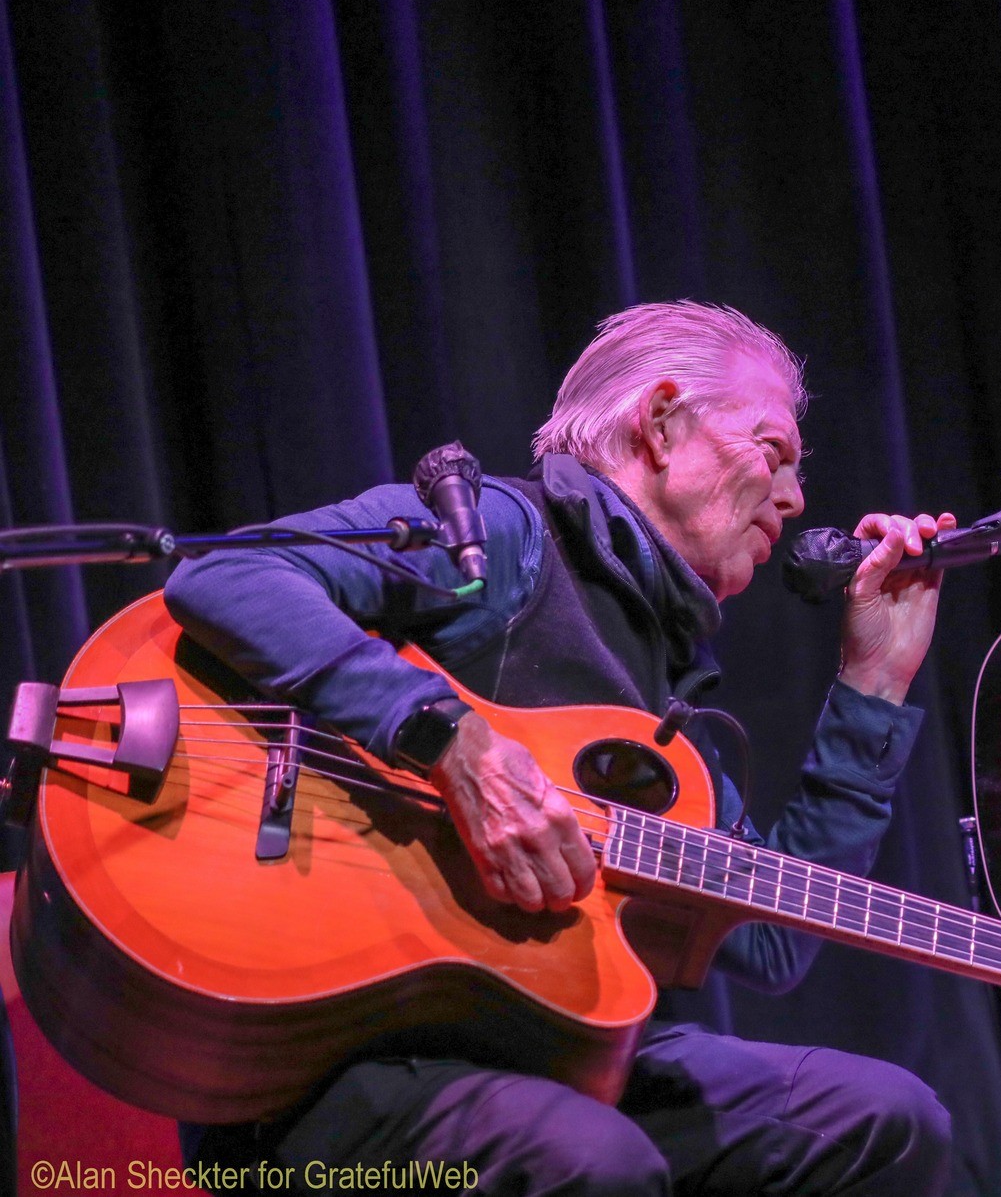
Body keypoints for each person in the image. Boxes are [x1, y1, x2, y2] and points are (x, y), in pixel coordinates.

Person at [164, 301, 955, 1196]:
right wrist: (449, 740)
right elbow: (231, 573)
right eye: (772, 451)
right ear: (662, 422)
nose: (796, 497)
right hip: (335, 1057)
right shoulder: (501, 534)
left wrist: (874, 682)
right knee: (592, 1158)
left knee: (887, 1119)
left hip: (542, 1059)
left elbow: (770, 936)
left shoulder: (663, 683)